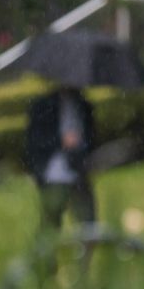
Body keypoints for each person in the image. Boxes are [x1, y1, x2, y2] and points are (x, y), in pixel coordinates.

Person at [27, 85, 97, 234]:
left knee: (88, 221)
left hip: (78, 168)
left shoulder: (83, 104)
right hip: (53, 171)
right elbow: (36, 140)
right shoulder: (44, 106)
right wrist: (61, 141)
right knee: (51, 222)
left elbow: (91, 136)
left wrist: (80, 146)